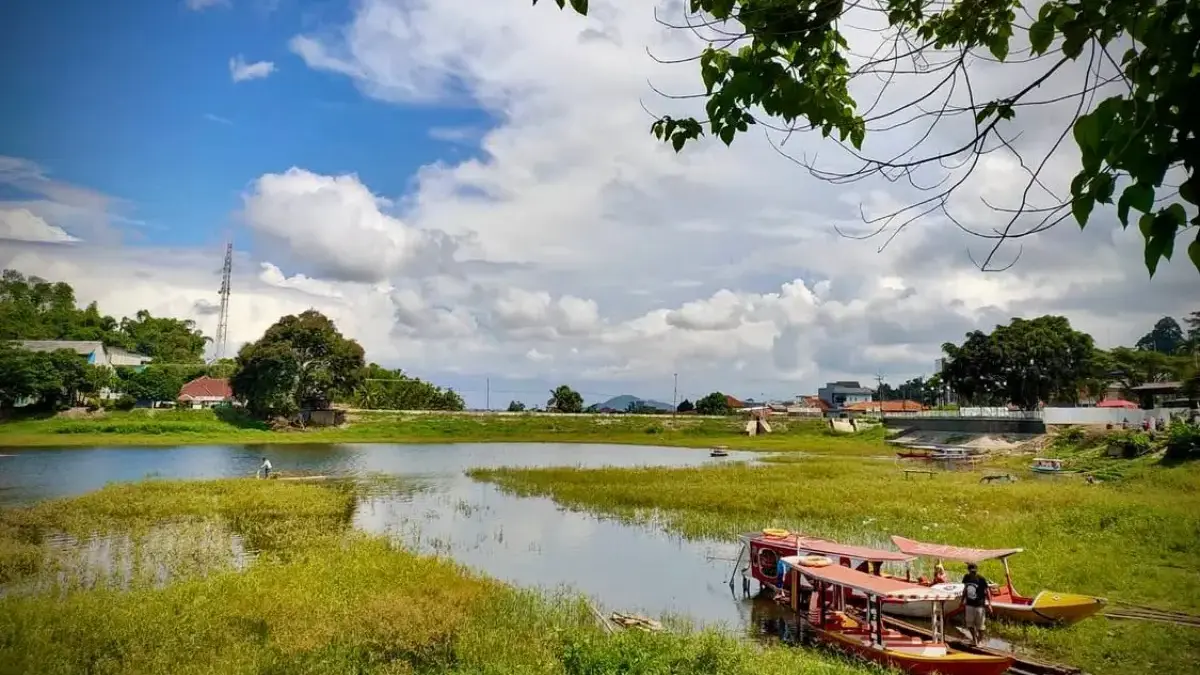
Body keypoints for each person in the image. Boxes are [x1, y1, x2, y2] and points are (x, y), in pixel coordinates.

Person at [961, 562, 992, 645]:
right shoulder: (966, 577)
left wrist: (989, 604)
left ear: (976, 571)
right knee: (969, 623)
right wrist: (962, 601)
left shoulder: (981, 579)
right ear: (969, 571)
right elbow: (965, 589)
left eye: (974, 571)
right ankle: (974, 638)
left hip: (979, 605)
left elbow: (987, 591)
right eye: (971, 571)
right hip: (969, 604)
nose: (973, 573)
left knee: (981, 626)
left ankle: (980, 640)